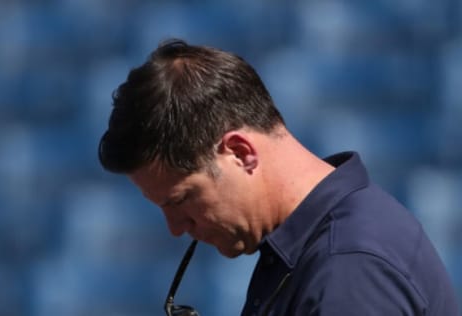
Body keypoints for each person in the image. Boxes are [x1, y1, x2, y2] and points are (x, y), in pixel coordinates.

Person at [98, 39, 460, 315]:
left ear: (240, 152)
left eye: (179, 200)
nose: (176, 227)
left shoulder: (349, 267)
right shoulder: (313, 247)